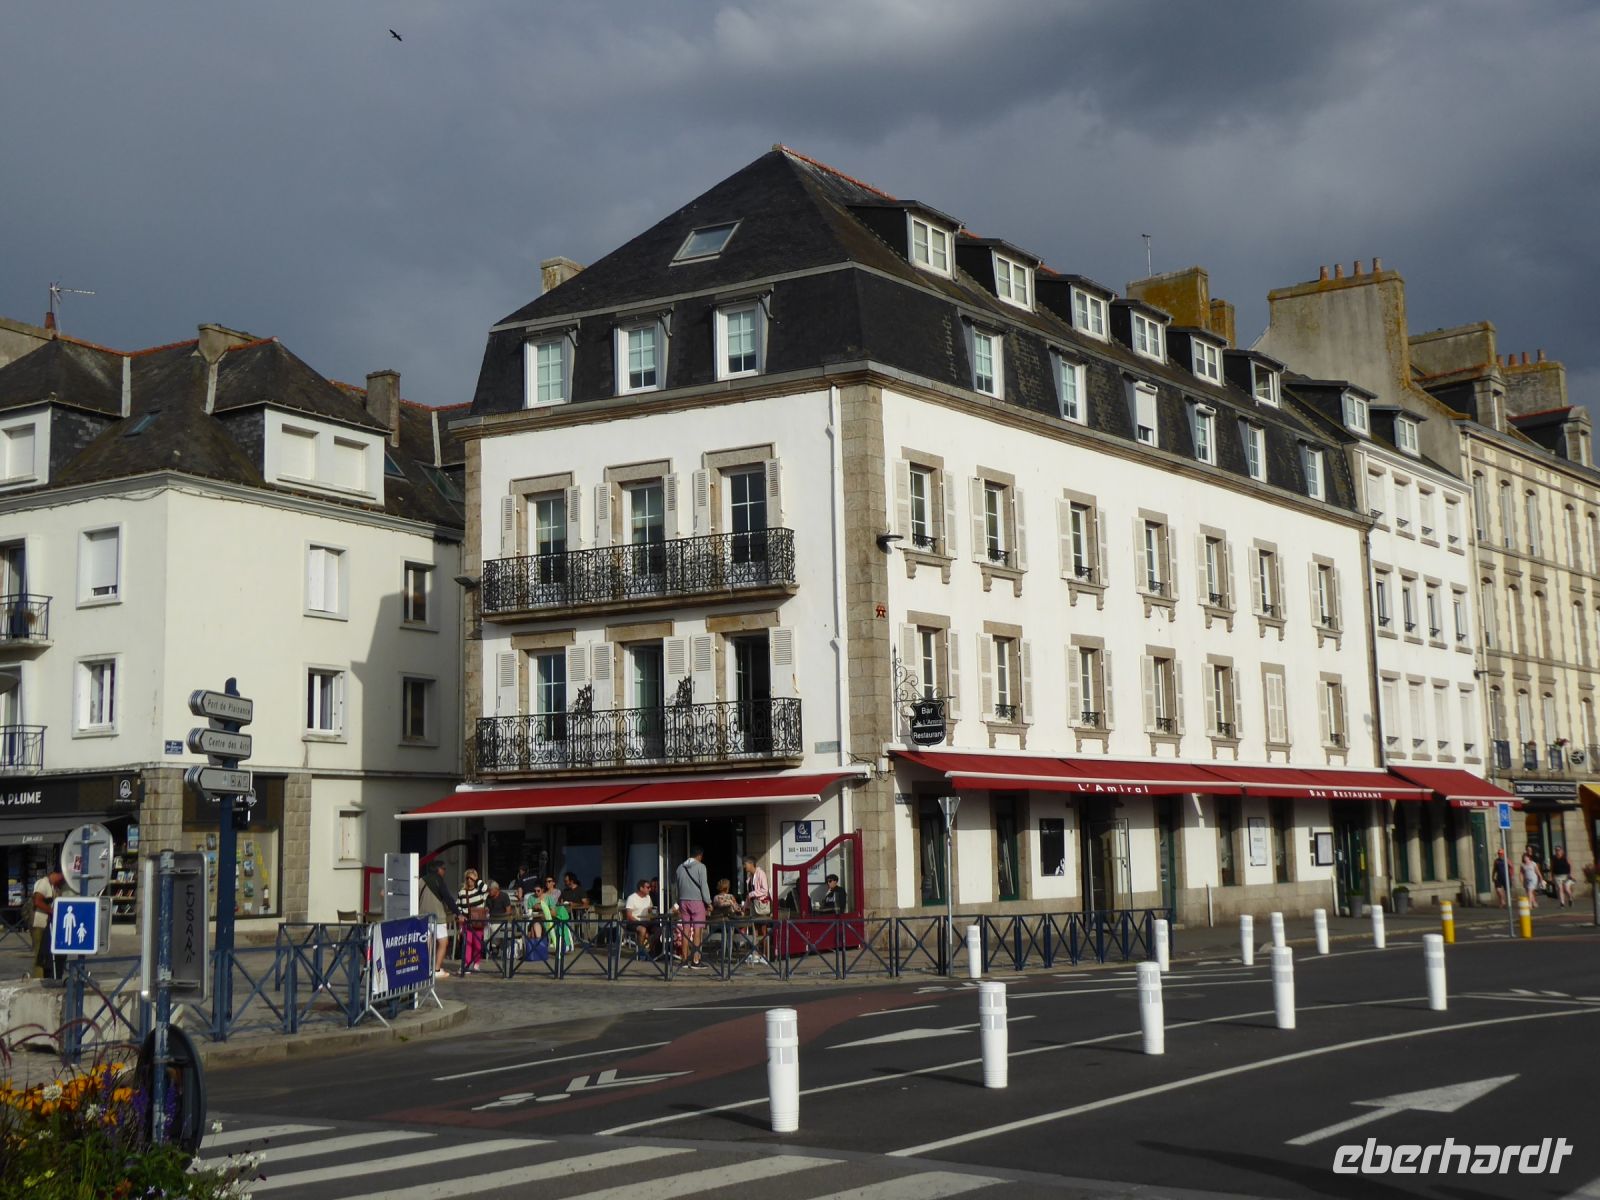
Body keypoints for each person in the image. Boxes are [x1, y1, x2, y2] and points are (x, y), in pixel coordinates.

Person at [674, 847, 712, 969]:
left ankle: (684, 959)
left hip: (683, 901)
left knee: (685, 930)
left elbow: (676, 887)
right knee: (697, 931)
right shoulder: (701, 867)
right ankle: (696, 960)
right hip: (697, 902)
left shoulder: (680, 867)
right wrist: (708, 902)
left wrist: (678, 901)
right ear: (700, 856)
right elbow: (704, 885)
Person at [417, 860, 454, 978]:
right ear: (438, 870)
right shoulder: (439, 881)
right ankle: (436, 970)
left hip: (423, 917)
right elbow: (448, 898)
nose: (444, 872)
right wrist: (457, 912)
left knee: (427, 942)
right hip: (438, 917)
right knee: (443, 942)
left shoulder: (421, 881)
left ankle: (426, 969)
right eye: (444, 869)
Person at [30, 868, 66, 980]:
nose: (63, 880)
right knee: (39, 954)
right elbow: (37, 901)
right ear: (55, 874)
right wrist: (51, 911)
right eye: (61, 877)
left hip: (48, 925)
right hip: (39, 924)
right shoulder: (43, 883)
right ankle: (38, 980)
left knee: (46, 953)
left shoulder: (54, 887)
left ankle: (49, 976)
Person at [457, 868, 489, 973]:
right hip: (467, 921)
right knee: (468, 943)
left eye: (472, 878)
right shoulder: (462, 892)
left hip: (478, 920)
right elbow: (458, 906)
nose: (470, 880)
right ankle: (466, 964)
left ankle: (476, 963)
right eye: (468, 878)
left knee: (478, 943)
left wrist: (477, 880)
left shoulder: (480, 891)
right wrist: (460, 916)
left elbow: (485, 888)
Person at [742, 855, 772, 962]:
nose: (744, 867)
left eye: (745, 864)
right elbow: (748, 895)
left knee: (763, 930)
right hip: (753, 906)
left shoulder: (761, 874)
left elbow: (765, 890)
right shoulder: (749, 877)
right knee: (754, 931)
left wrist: (752, 893)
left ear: (750, 864)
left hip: (761, 906)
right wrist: (745, 907)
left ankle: (766, 955)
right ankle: (757, 953)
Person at [622, 879, 655, 954]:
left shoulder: (648, 897)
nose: (650, 889)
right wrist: (639, 922)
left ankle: (654, 951)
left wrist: (652, 911)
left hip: (645, 922)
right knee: (642, 929)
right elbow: (629, 916)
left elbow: (651, 910)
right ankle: (641, 952)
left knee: (658, 928)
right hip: (633, 922)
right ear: (641, 888)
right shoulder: (632, 898)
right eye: (648, 887)